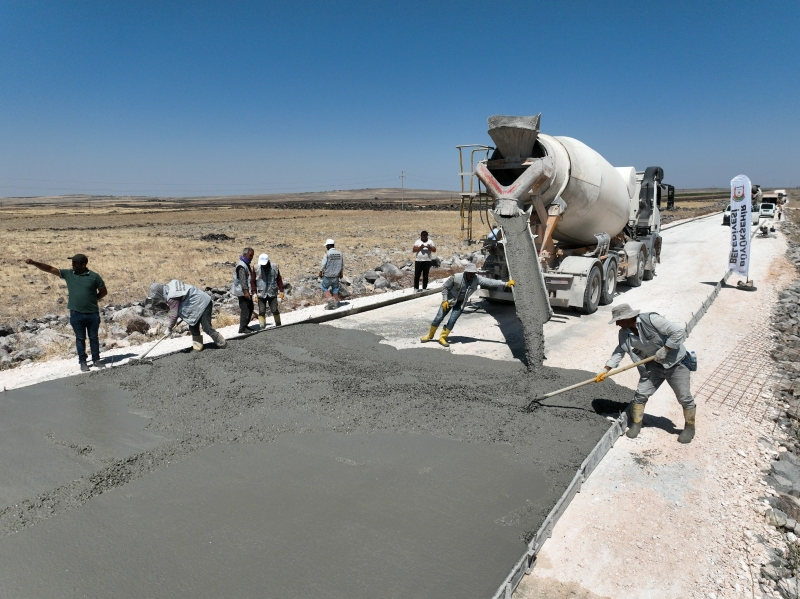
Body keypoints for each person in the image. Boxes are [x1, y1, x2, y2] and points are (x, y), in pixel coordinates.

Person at [595, 303, 696, 444]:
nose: (617, 324)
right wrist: (606, 369)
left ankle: (690, 427)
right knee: (640, 395)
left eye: (618, 320)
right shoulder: (624, 332)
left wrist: (666, 349)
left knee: (684, 397)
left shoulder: (652, 320)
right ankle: (636, 424)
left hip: (676, 364)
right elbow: (620, 351)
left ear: (628, 318)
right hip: (653, 367)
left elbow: (678, 331)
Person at [24, 253, 107, 372]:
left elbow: (103, 291)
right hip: (76, 314)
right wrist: (34, 263)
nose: (72, 264)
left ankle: (96, 359)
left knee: (93, 337)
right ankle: (83, 362)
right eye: (72, 262)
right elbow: (50, 269)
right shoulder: (69, 274)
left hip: (92, 313)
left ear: (83, 264)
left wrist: (92, 300)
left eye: (75, 263)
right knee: (80, 338)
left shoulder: (94, 277)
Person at [420, 263, 514, 347]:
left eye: (474, 273)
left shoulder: (476, 279)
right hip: (449, 301)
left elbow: (490, 282)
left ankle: (443, 338)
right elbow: (445, 287)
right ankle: (430, 335)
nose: (472, 275)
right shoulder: (456, 277)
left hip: (460, 303)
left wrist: (505, 284)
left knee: (452, 320)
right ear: (466, 272)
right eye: (470, 273)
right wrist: (445, 300)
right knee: (439, 317)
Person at [148, 280, 227, 351]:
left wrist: (169, 328)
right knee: (193, 327)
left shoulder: (172, 297)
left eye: (156, 297)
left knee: (206, 327)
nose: (157, 299)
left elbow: (174, 315)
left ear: (158, 293)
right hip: (197, 303)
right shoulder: (171, 285)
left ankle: (222, 343)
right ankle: (198, 348)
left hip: (203, 303)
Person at [255, 253, 285, 328]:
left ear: (268, 261)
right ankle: (262, 326)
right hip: (261, 292)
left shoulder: (274, 267)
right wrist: (254, 292)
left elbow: (279, 279)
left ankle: (278, 324)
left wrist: (281, 290)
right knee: (261, 311)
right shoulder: (256, 268)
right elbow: (252, 281)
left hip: (272, 291)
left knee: (274, 309)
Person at [232, 247, 256, 334]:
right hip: (242, 292)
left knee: (250, 308)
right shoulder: (241, 265)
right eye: (250, 255)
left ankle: (245, 325)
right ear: (245, 254)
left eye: (252, 255)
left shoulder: (246, 264)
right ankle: (242, 328)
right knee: (245, 309)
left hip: (245, 291)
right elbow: (243, 280)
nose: (252, 257)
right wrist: (246, 291)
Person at [319, 239, 343, 310]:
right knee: (335, 289)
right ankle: (336, 303)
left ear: (329, 246)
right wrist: (341, 273)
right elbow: (341, 264)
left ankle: (330, 300)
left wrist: (320, 271)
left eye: (326, 246)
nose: (326, 247)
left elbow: (323, 264)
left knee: (324, 287)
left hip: (328, 275)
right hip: (336, 275)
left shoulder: (327, 254)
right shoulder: (340, 253)